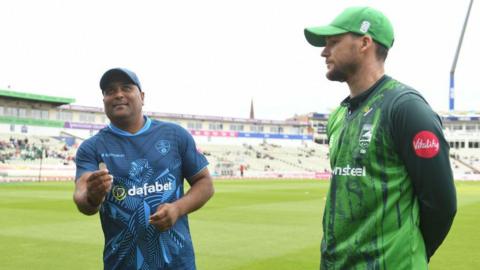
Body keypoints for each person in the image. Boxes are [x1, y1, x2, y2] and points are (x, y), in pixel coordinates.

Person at [304, 7, 457, 269]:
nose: (324, 51)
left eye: (334, 42)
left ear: (365, 43)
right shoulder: (339, 116)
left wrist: (409, 252)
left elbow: (441, 204)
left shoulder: (405, 108)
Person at [73, 67, 214, 270]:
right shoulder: (92, 147)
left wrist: (177, 209)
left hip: (177, 264)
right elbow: (81, 196)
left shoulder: (174, 135)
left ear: (142, 96)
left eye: (126, 88)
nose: (118, 94)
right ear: (104, 100)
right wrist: (92, 197)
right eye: (110, 91)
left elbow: (206, 183)